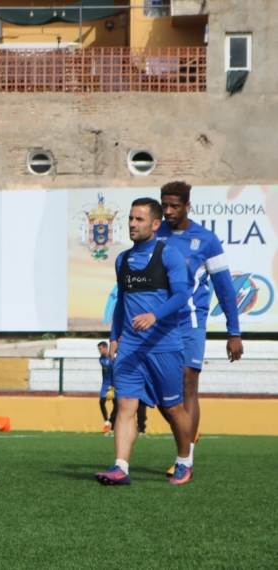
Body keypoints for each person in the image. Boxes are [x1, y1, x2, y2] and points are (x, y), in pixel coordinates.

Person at [96, 198, 194, 486]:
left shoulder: (169, 255)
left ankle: (184, 460)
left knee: (173, 409)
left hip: (164, 347)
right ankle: (120, 467)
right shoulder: (122, 259)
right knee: (125, 406)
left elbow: (180, 296)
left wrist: (154, 315)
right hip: (130, 349)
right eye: (130, 218)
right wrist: (114, 337)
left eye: (139, 219)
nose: (132, 224)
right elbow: (122, 301)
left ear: (155, 224)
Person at [157, 181, 244, 475]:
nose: (168, 211)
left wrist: (234, 332)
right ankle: (188, 434)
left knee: (187, 385)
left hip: (190, 323)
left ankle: (186, 458)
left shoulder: (206, 240)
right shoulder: (155, 235)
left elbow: (225, 288)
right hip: (159, 324)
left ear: (187, 206)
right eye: (164, 205)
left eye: (174, 206)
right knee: (161, 394)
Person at [98, 341, 116, 433]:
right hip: (105, 384)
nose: (99, 351)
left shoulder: (112, 359)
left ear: (105, 348)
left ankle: (114, 425)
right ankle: (106, 423)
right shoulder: (100, 359)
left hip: (113, 384)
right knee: (101, 402)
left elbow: (115, 373)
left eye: (100, 349)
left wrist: (113, 386)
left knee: (116, 404)